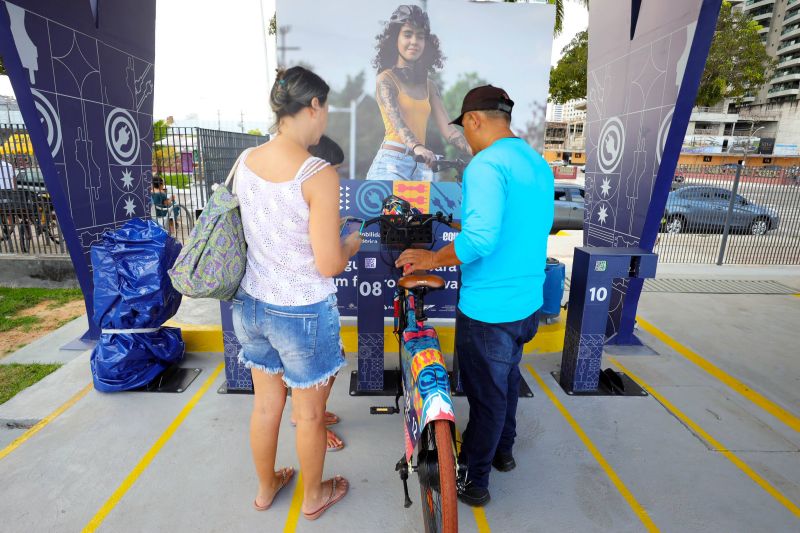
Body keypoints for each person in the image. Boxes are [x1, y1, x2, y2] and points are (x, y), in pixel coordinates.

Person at [395, 85, 554, 507]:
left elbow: (480, 240)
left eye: (465, 129)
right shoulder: (539, 165)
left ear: (474, 120)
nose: (466, 139)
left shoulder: (486, 165)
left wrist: (430, 259)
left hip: (489, 310)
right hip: (526, 304)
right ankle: (504, 454)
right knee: (505, 385)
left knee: (486, 399)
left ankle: (475, 481)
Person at [233, 66, 361, 520]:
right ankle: (313, 496)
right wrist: (350, 243)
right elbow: (327, 263)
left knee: (267, 404)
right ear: (313, 107)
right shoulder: (317, 172)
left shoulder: (245, 160)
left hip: (250, 305)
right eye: (325, 109)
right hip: (302, 311)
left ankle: (266, 488)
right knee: (308, 415)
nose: (325, 119)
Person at [366, 4, 471, 181]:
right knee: (396, 210)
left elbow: (450, 132)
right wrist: (417, 146)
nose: (414, 41)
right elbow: (398, 123)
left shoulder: (430, 86)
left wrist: (478, 150)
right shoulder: (386, 79)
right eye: (408, 34)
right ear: (395, 39)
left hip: (421, 167)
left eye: (420, 36)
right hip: (391, 164)